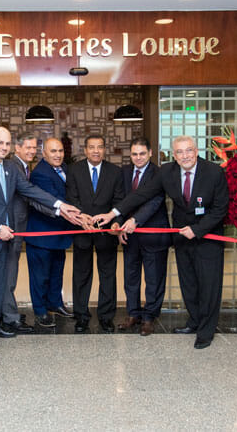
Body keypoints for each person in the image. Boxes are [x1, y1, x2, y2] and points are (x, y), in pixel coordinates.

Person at [93, 135, 229, 349]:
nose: (185, 156)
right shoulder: (167, 172)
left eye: (189, 150)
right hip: (182, 237)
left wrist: (198, 229)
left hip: (207, 238)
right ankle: (193, 322)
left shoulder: (214, 172)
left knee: (208, 287)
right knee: (189, 285)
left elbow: (221, 208)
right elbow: (142, 195)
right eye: (180, 152)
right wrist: (112, 214)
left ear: (196, 150)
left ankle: (206, 331)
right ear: (174, 155)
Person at [0, 127, 80, 354]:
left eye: (7, 144)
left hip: (6, 239)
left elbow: (30, 190)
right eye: (0, 143)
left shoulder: (10, 168)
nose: (4, 148)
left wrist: (60, 205)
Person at [65, 134, 124, 333]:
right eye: (92, 147)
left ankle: (106, 317)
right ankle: (81, 316)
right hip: (82, 230)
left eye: (100, 147)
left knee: (108, 275)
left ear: (105, 149)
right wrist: (82, 217)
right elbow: (71, 197)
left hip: (106, 233)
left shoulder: (115, 172)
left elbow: (119, 201)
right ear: (85, 150)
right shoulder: (74, 170)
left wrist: (115, 222)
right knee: (81, 275)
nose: (96, 151)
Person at [112, 138, 170, 336]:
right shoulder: (124, 173)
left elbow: (155, 202)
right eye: (135, 154)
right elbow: (120, 201)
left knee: (154, 279)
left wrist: (135, 220)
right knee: (131, 277)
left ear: (150, 153)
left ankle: (149, 317)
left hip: (153, 234)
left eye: (142, 154)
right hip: (129, 236)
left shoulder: (160, 174)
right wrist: (119, 225)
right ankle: (133, 314)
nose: (138, 158)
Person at [1, 132, 50, 335]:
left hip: (17, 228)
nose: (31, 151)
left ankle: (7, 312)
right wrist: (59, 209)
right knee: (8, 277)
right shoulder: (14, 166)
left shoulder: (23, 166)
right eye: (27, 147)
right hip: (10, 228)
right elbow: (29, 194)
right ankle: (9, 318)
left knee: (9, 275)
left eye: (34, 147)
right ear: (17, 148)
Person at [24, 138, 75, 328]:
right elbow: (57, 199)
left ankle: (55, 303)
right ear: (43, 153)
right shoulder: (40, 174)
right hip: (42, 234)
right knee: (40, 276)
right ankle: (40, 310)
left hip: (60, 233)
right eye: (53, 151)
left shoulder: (65, 169)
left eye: (60, 151)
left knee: (56, 273)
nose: (58, 155)